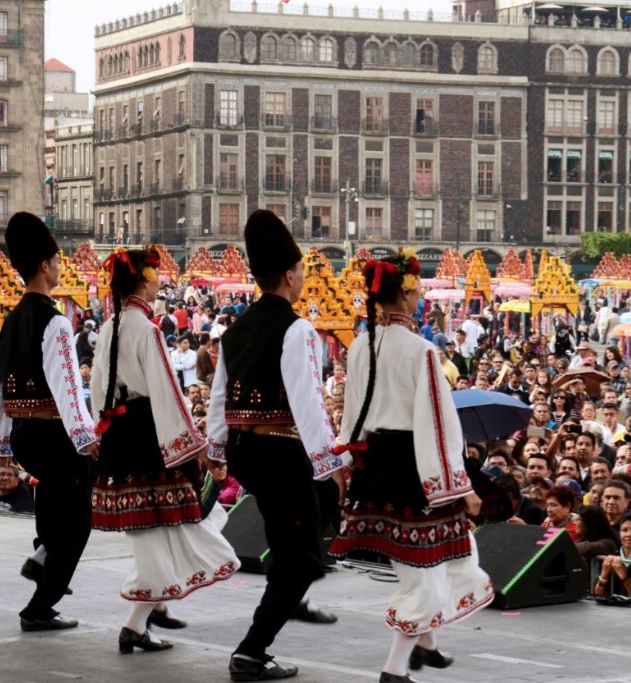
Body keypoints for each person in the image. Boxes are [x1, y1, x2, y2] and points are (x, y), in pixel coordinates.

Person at [329, 247, 492, 683]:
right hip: (414, 467)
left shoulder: (360, 345)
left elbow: (350, 413)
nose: (420, 296)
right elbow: (437, 423)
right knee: (428, 569)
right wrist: (461, 486)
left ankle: (428, 644)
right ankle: (395, 668)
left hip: (373, 461)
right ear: (403, 296)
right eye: (417, 290)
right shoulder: (421, 350)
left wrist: (345, 463)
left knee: (444, 556)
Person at [207, 211, 346, 682]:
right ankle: (252, 649)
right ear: (289, 276)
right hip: (282, 450)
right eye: (302, 271)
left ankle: (286, 594)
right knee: (303, 555)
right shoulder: (298, 328)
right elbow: (308, 404)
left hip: (247, 451)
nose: (304, 278)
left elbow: (219, 396)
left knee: (294, 543)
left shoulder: (236, 329)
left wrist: (218, 450)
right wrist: (330, 464)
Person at [90, 248, 240, 654]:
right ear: (143, 280)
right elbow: (167, 394)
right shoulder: (147, 329)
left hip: (120, 435)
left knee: (154, 534)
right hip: (149, 435)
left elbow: (97, 392)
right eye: (155, 275)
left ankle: (138, 623)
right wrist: (196, 447)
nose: (160, 281)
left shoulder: (108, 327)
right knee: (175, 525)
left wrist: (102, 435)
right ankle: (138, 622)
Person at [0, 212, 98, 632]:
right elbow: (67, 384)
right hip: (55, 431)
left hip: (24, 434)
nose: (60, 265)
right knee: (80, 520)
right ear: (46, 265)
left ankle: (43, 555)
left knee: (51, 501)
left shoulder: (8, 323)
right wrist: (85, 436)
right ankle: (42, 595)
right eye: (57, 259)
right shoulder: (56, 321)